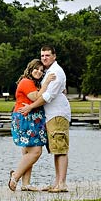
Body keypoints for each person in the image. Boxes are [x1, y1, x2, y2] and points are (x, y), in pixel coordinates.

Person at [21, 45, 71, 193]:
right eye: (42, 55)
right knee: (55, 149)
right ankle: (57, 183)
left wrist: (30, 107)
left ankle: (61, 184)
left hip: (57, 114)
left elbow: (47, 97)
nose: (44, 58)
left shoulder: (56, 72)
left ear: (54, 56)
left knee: (60, 149)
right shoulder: (48, 72)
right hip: (50, 116)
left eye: (47, 55)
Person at [7, 59, 55, 192]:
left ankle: (26, 184)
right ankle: (15, 176)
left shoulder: (34, 83)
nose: (39, 72)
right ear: (30, 68)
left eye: (41, 70)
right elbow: (36, 97)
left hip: (34, 118)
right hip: (26, 118)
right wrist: (47, 82)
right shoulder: (26, 82)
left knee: (28, 152)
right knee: (35, 152)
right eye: (36, 69)